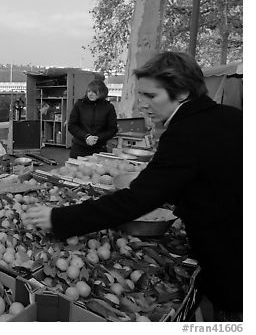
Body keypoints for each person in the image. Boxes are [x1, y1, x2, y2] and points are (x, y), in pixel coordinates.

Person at [23, 51, 242, 321]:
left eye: (151, 96)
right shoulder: (232, 117)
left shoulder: (185, 133)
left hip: (233, 262)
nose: (143, 105)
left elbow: (135, 201)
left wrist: (59, 218)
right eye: (141, 95)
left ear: (183, 91)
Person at [67, 79, 118, 158]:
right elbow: (72, 125)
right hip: (79, 148)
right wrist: (86, 136)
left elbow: (112, 129)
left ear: (102, 92)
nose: (90, 94)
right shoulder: (80, 105)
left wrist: (98, 138)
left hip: (99, 149)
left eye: (94, 92)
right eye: (89, 91)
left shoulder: (108, 107)